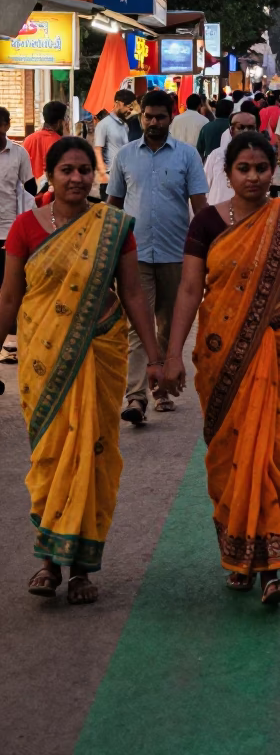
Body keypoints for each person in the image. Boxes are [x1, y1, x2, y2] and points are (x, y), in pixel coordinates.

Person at [162, 131, 280, 604]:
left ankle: (271, 570)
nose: (254, 177)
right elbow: (189, 290)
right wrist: (172, 354)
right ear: (228, 173)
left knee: (273, 452)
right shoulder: (206, 223)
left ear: (274, 170)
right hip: (223, 355)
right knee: (231, 454)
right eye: (243, 168)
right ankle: (240, 554)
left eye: (262, 168)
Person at [0, 136, 161, 603]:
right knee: (51, 458)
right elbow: (9, 297)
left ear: (95, 175)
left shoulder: (112, 226)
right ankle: (49, 563)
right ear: (49, 175)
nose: (76, 178)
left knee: (92, 455)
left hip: (99, 351)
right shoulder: (26, 227)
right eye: (66, 170)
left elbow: (133, 294)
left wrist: (155, 358)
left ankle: (83, 570)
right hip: (43, 359)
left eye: (84, 170)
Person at [107, 89, 208, 424]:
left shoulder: (187, 156)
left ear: (171, 118)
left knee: (167, 325)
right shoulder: (124, 156)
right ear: (141, 117)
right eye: (148, 117)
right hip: (133, 256)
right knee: (137, 327)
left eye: (160, 117)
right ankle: (136, 397)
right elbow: (113, 206)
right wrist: (106, 247)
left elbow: (200, 208)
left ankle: (161, 389)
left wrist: (210, 250)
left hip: (176, 255)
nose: (153, 122)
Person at [0, 107, 35, 365]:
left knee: (10, 288)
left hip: (9, 232)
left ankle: (11, 342)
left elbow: (30, 189)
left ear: (6, 126)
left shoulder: (18, 153)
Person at [205, 108, 259, 205]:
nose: (246, 131)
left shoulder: (260, 157)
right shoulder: (217, 155)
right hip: (218, 210)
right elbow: (204, 185)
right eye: (241, 127)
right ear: (232, 130)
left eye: (251, 128)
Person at [93, 89, 135, 198]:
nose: (129, 110)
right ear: (118, 104)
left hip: (125, 176)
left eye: (131, 108)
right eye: (128, 107)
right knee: (110, 207)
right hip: (110, 177)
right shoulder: (104, 125)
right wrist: (103, 173)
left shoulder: (125, 125)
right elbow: (97, 149)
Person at [23, 101, 67, 185]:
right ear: (59, 122)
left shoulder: (28, 140)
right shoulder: (60, 143)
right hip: (52, 190)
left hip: (29, 190)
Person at [197, 97, 234, 161]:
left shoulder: (206, 127)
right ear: (231, 111)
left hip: (209, 162)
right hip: (229, 162)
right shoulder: (233, 127)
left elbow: (199, 150)